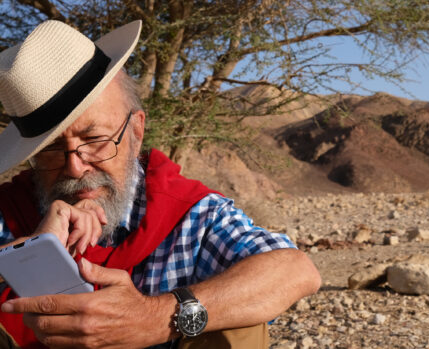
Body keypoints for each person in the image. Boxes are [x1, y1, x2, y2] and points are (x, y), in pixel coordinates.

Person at [0, 20, 320, 348]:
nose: (75, 167)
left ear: (136, 132)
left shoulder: (189, 216)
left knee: (238, 329)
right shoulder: (10, 211)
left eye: (95, 139)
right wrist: (30, 252)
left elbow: (295, 271)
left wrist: (154, 317)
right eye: (52, 149)